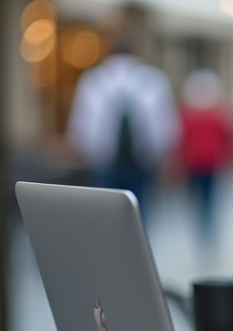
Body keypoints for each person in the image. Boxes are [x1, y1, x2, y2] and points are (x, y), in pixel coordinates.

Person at [66, 36, 179, 212]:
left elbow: (79, 125)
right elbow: (167, 125)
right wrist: (164, 156)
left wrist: (84, 151)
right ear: (136, 51)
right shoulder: (153, 79)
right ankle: (137, 239)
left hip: (103, 159)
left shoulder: (92, 80)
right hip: (144, 159)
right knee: (139, 211)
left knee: (108, 212)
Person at [178, 69, 233, 244]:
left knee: (201, 200)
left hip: (201, 164)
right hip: (203, 163)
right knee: (207, 200)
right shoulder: (216, 114)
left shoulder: (189, 115)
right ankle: (207, 232)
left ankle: (204, 231)